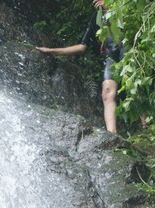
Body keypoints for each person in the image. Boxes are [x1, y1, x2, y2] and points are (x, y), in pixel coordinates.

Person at [35, 0, 125, 134]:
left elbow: (128, 28)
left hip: (128, 50)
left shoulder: (123, 8)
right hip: (111, 55)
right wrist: (51, 50)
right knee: (107, 91)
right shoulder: (96, 18)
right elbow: (82, 47)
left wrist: (109, 10)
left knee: (131, 81)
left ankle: (146, 125)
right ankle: (112, 134)